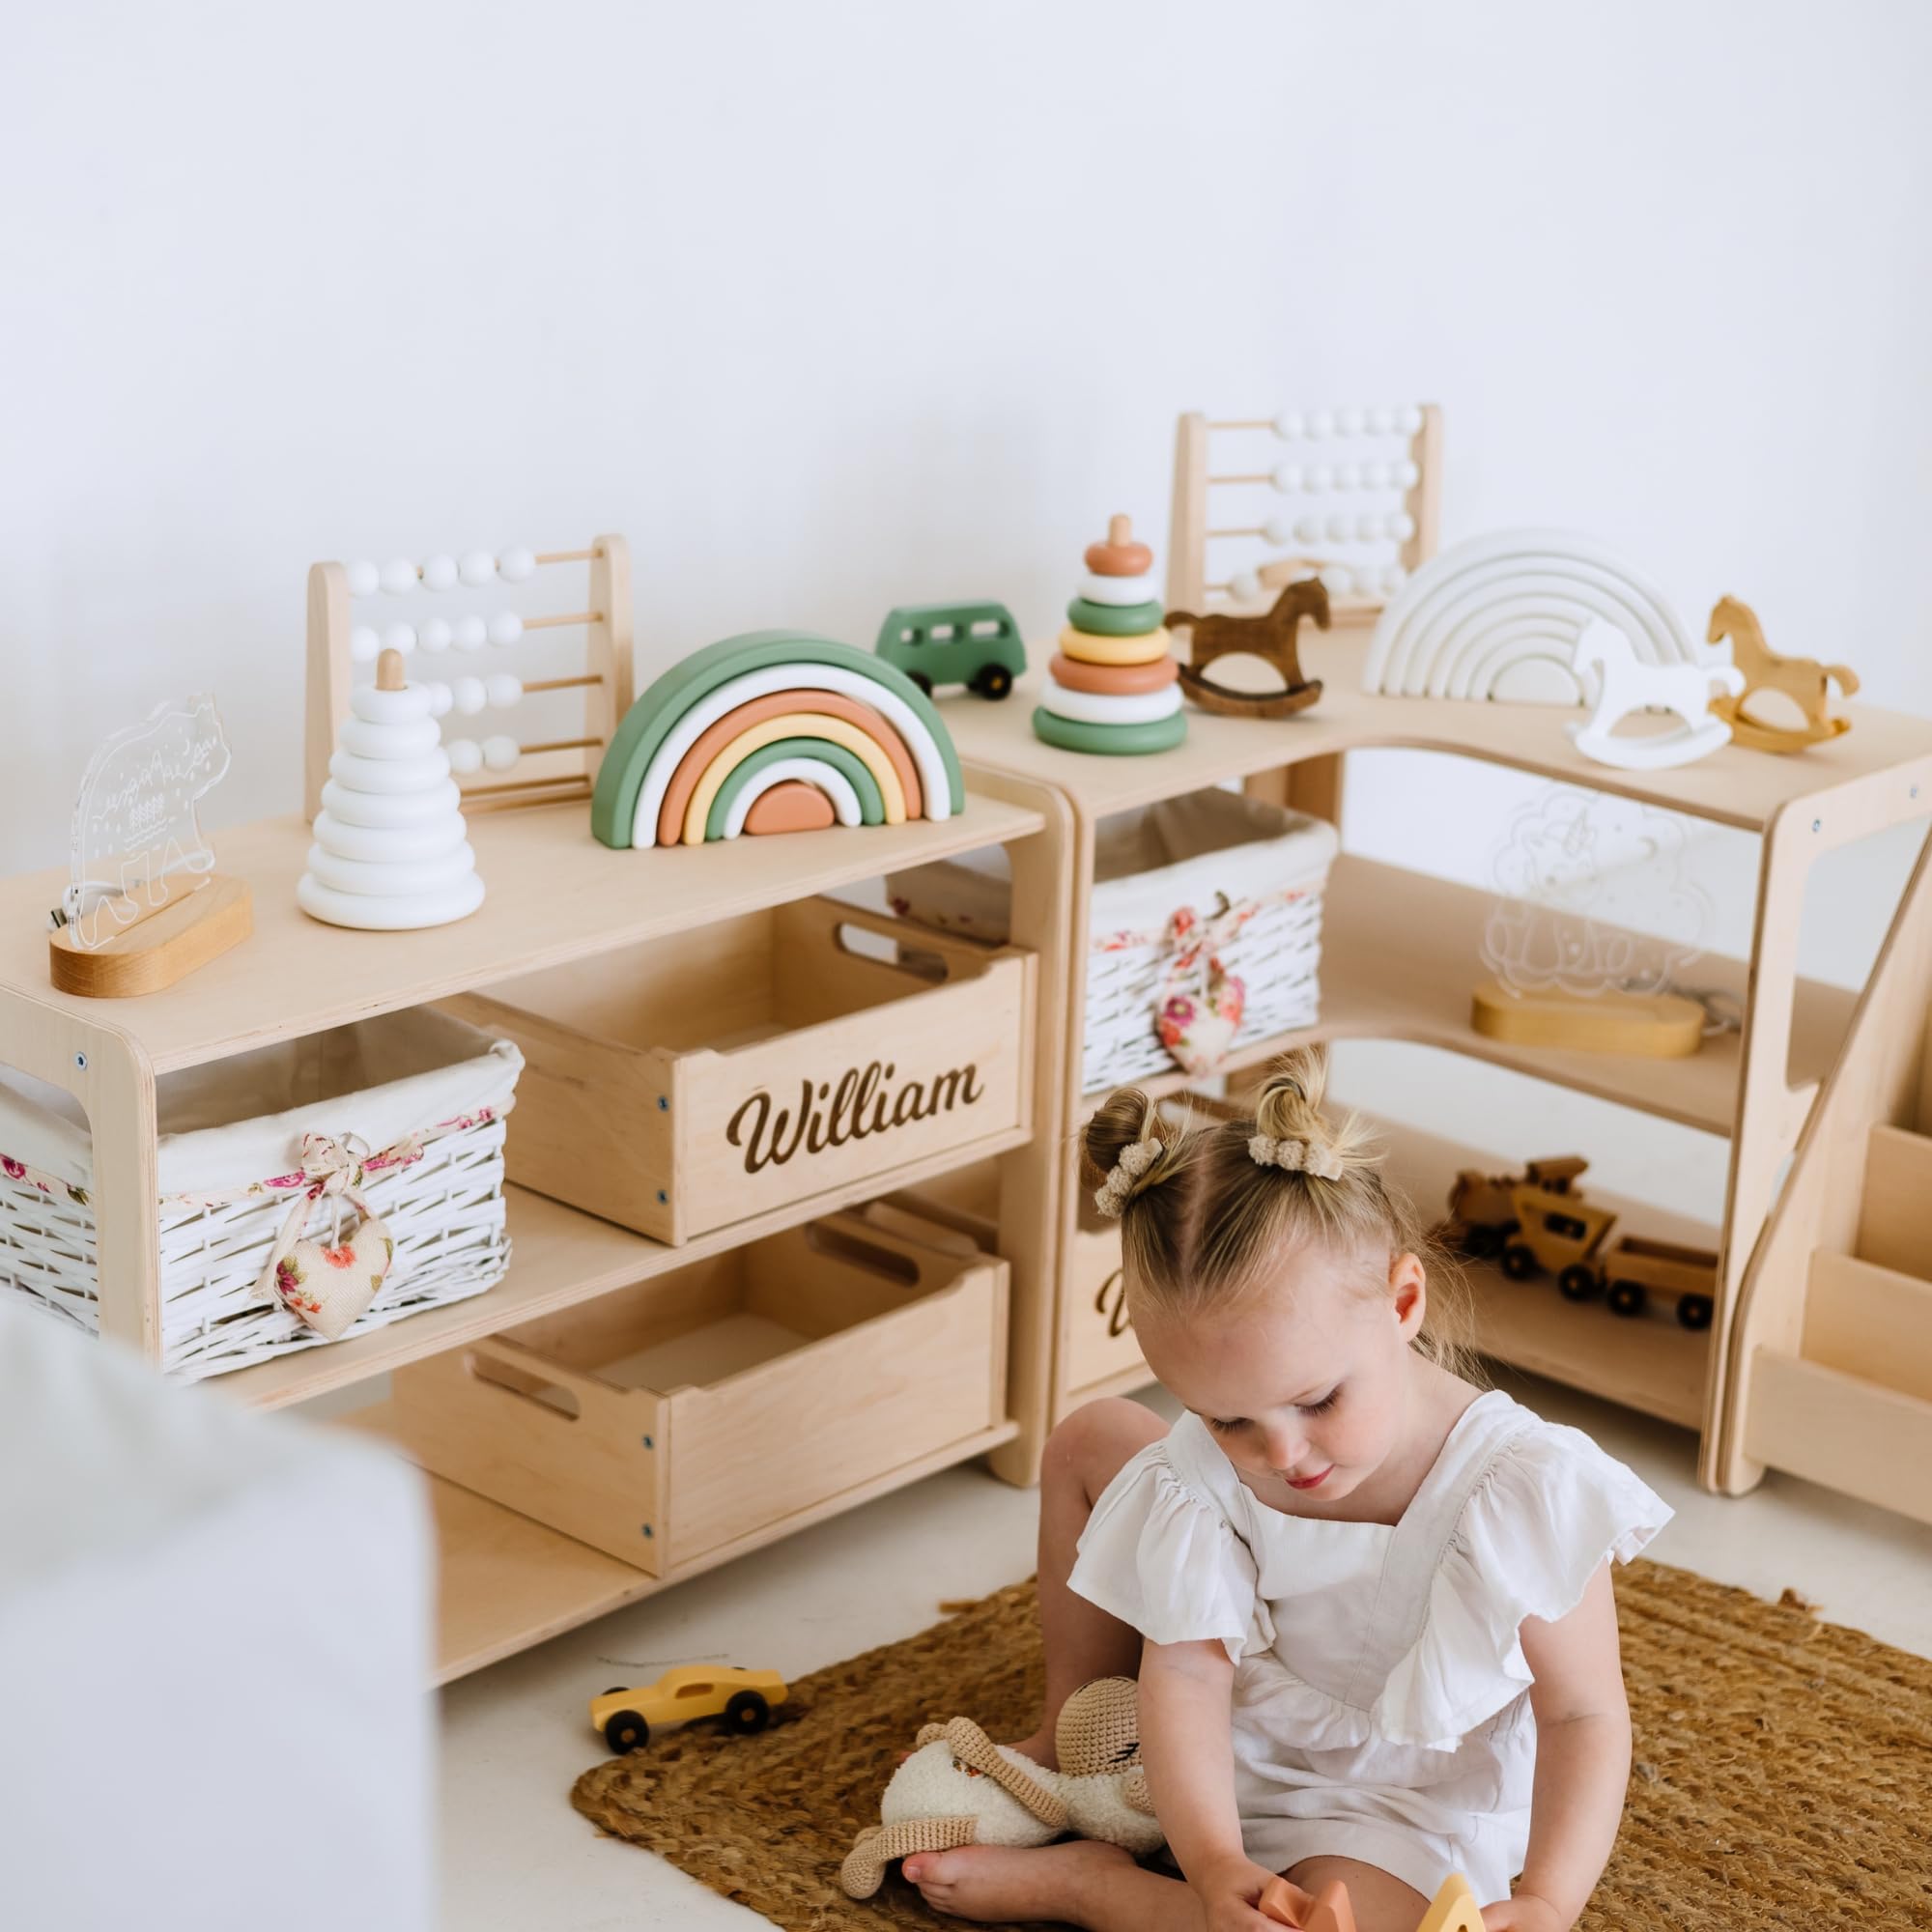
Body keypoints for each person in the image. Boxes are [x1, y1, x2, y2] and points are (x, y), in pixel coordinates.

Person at [904, 1049, 1669, 1931]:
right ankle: (1073, 1741)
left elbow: (1583, 1713)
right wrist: (1215, 1860)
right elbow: (1186, 1673)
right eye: (1225, 1420)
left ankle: (1099, 1890)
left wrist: (1546, 1901)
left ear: (1403, 1301)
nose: (1282, 1453)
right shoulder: (1228, 1460)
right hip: (1210, 1735)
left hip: (1393, 1803)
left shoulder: (1521, 1487)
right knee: (1093, 1441)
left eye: (1317, 1401)